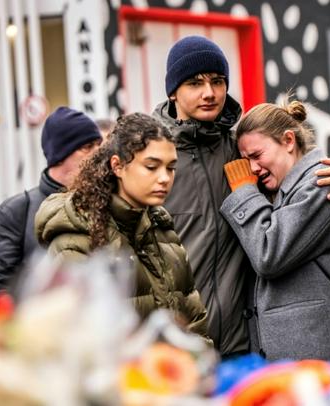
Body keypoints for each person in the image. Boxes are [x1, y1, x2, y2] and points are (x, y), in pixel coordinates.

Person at [152, 35, 330, 357]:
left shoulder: (241, 149)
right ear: (173, 90)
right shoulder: (152, 156)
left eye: (218, 81)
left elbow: (298, 179)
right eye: (195, 83)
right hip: (181, 344)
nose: (209, 92)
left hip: (246, 345)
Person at [35, 113, 208, 336]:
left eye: (171, 167)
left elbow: (194, 318)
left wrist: (193, 354)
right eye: (151, 166)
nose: (165, 178)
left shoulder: (161, 227)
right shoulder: (77, 235)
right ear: (117, 165)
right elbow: (79, 338)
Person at [219, 100, 330, 361]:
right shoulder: (285, 189)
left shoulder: (323, 182)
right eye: (246, 161)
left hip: (319, 352)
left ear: (288, 141)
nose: (252, 169)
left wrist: (244, 193)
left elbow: (269, 255)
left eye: (257, 156)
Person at [0, 107, 102, 302]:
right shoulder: (17, 211)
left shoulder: (105, 203)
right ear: (60, 156)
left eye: (99, 145)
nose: (98, 154)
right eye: (87, 147)